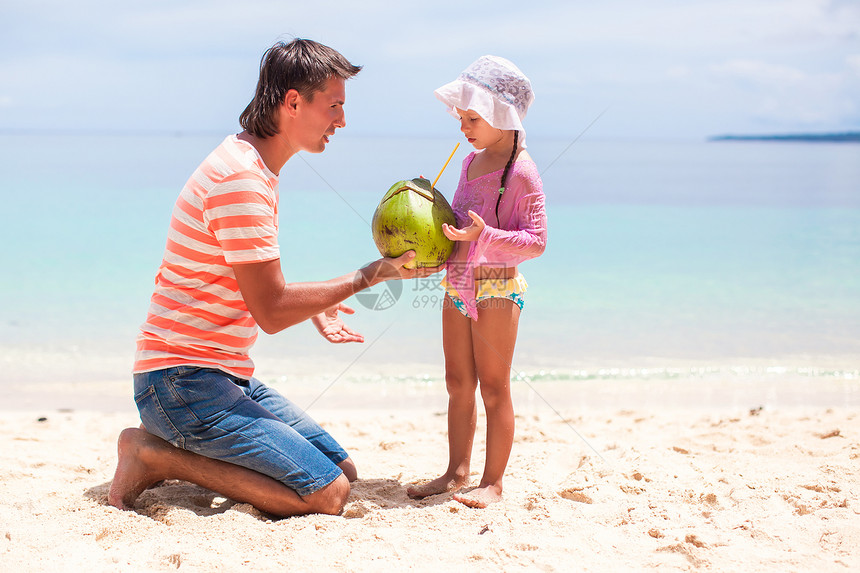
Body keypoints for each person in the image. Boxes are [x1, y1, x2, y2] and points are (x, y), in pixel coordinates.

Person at [108, 38, 437, 518]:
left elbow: (251, 282)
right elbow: (271, 311)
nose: (342, 121)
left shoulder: (253, 165)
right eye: (335, 106)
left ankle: (170, 449)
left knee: (342, 472)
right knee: (326, 494)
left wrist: (319, 304)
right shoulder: (240, 179)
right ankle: (154, 454)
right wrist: (373, 274)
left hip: (221, 375)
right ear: (293, 102)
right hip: (181, 381)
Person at [406, 56, 547, 508]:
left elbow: (536, 242)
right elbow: (461, 222)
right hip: (458, 282)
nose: (463, 127)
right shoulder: (468, 162)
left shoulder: (521, 171)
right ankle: (455, 472)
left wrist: (483, 235)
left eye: (473, 118)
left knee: (494, 386)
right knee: (457, 381)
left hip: (497, 286)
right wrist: (429, 202)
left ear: (503, 116)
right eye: (461, 118)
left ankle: (494, 483)